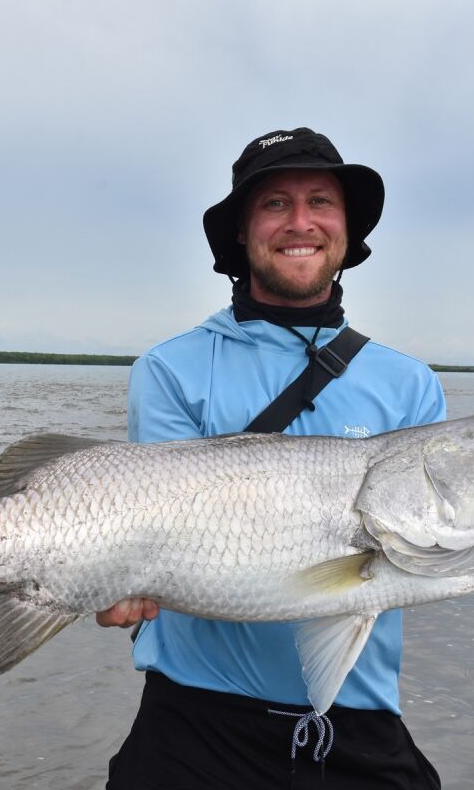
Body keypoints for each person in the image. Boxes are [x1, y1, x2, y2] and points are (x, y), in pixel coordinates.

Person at [100, 127, 446, 789]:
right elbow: (154, 534)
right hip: (195, 728)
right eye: (275, 204)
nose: (300, 223)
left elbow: (431, 548)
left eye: (321, 201)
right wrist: (110, 576)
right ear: (242, 230)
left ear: (346, 228)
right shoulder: (171, 369)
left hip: (361, 729)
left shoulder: (410, 385)